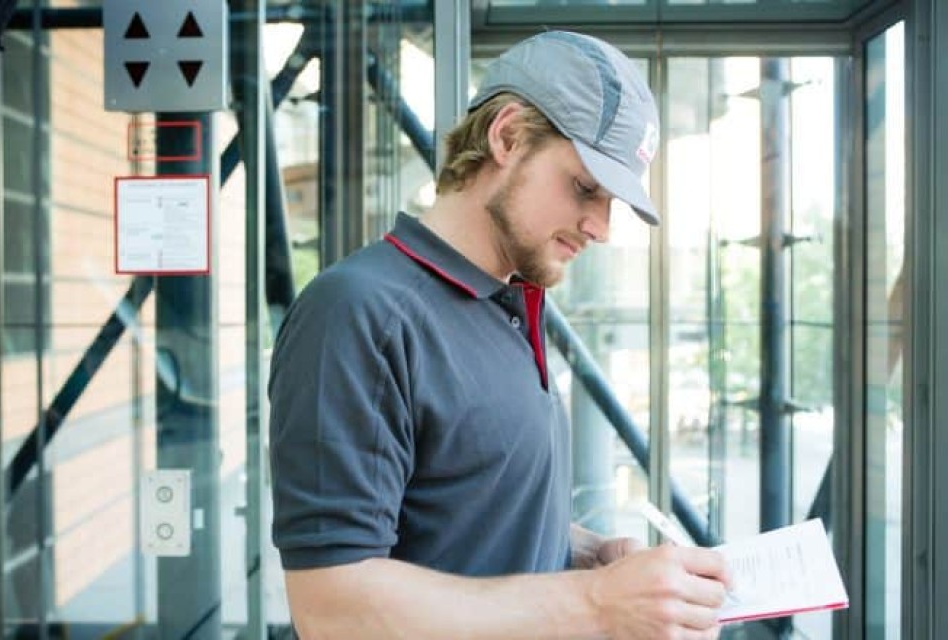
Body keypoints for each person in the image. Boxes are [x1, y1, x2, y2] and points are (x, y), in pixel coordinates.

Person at [269, 30, 731, 639]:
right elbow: (331, 607)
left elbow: (456, 510)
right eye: (585, 187)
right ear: (507, 136)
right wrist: (592, 603)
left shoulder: (505, 303)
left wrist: (580, 556)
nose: (600, 226)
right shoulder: (360, 313)